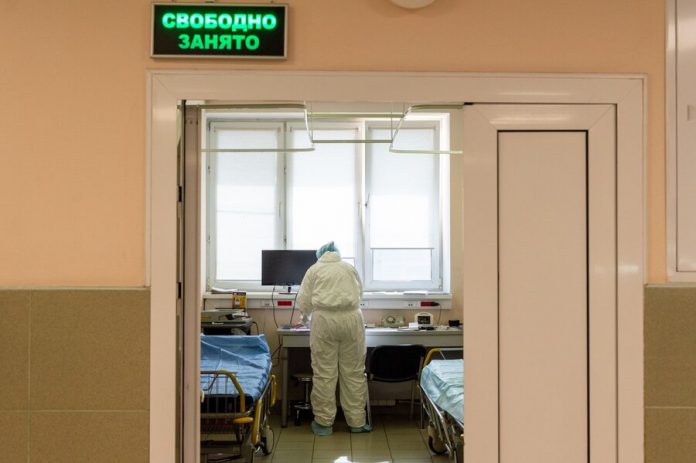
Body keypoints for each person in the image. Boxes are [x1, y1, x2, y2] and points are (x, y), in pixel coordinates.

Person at [296, 241, 372, 436]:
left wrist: (305, 319)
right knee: (354, 372)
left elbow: (304, 301)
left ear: (320, 255)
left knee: (324, 373)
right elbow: (360, 293)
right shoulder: (349, 268)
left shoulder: (314, 270)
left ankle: (324, 423)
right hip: (352, 319)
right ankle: (357, 422)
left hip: (324, 321)